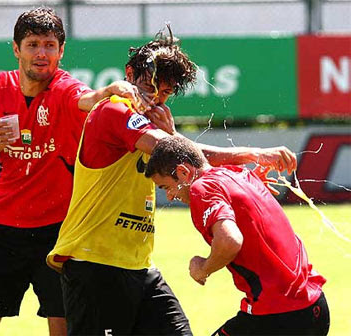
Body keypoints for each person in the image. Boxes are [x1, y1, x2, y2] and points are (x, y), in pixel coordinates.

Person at [47, 26, 298, 335]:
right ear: (129, 73)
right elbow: (176, 153)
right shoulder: (114, 109)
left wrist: (174, 134)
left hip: (138, 266)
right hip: (95, 265)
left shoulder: (148, 121)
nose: (154, 98)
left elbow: (178, 152)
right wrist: (253, 153)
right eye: (150, 87)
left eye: (164, 93)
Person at [0, 6, 147, 336]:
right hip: (1, 232)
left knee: (67, 330)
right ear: (16, 49)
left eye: (50, 45)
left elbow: (87, 99)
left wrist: (108, 91)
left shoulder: (64, 88)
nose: (41, 53)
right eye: (33, 44)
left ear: (62, 51)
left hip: (60, 234)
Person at [145, 136, 330, 336]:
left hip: (278, 315)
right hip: (315, 306)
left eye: (166, 187)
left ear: (183, 172)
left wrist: (203, 268)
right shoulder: (238, 173)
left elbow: (230, 241)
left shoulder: (202, 187)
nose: (171, 196)